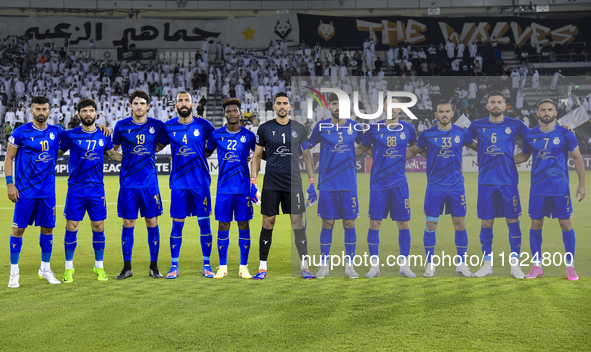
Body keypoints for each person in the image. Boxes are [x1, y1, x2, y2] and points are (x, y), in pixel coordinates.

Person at [514, 99, 586, 281]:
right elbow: (523, 156)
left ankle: (570, 267)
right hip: (538, 189)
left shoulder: (565, 133)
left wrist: (582, 184)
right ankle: (537, 266)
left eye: (550, 110)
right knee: (536, 225)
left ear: (556, 113)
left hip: (560, 189)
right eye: (543, 110)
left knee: (565, 225)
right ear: (537, 113)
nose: (546, 112)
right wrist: (502, 158)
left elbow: (577, 158)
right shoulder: (530, 136)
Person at [250, 91, 317, 280]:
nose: (281, 106)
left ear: (289, 106)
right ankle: (262, 267)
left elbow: (306, 155)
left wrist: (312, 182)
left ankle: (304, 266)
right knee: (267, 222)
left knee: (297, 224)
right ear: (274, 107)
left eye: (285, 103)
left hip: (294, 184)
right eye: (278, 103)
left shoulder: (299, 128)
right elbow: (256, 156)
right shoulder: (264, 129)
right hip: (271, 183)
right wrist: (253, 182)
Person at [407, 100, 478, 277]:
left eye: (447, 111)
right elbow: (412, 152)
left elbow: (479, 147)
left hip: (456, 186)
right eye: (441, 112)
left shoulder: (461, 133)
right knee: (431, 224)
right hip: (435, 186)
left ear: (452, 113)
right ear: (436, 114)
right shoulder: (427, 134)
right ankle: (430, 265)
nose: (444, 114)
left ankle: (462, 264)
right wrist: (388, 155)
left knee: (460, 223)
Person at [57, 99, 122, 283]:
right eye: (84, 111)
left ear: (96, 114)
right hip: (76, 189)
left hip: (96, 189)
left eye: (91, 111)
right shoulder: (70, 135)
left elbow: (112, 155)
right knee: (72, 227)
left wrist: (133, 159)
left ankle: (99, 267)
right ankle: (69, 268)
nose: (88, 114)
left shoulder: (104, 135)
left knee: (98, 226)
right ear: (78, 115)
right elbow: (57, 154)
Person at [355, 96, 418, 279]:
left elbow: (417, 148)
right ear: (382, 107)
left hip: (400, 183)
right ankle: (374, 267)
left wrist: (401, 157)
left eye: (396, 105)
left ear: (400, 108)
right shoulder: (373, 129)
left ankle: (404, 266)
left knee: (403, 223)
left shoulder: (408, 129)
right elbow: (362, 148)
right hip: (379, 184)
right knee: (375, 223)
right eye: (389, 105)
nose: (392, 108)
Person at [5, 96, 64, 288]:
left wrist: (101, 128)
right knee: (18, 229)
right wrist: (9, 184)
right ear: (31, 111)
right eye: (37, 109)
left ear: (49, 111)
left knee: (48, 229)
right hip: (25, 192)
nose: (41, 112)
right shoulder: (20, 132)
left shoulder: (57, 131)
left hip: (47, 192)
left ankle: (45, 269)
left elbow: (80, 133)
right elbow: (8, 158)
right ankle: (14, 273)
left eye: (44, 109)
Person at [468, 91, 527, 278]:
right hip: (486, 181)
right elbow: (461, 138)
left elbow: (535, 138)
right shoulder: (477, 125)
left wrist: (518, 157)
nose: (495, 105)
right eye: (492, 102)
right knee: (486, 222)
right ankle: (487, 265)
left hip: (508, 182)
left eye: (499, 102)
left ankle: (515, 265)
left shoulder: (515, 124)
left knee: (513, 221)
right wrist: (482, 150)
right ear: (486, 105)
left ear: (505, 105)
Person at [159, 91, 216, 279]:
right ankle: (174, 266)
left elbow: (215, 145)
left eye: (187, 100)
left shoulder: (204, 124)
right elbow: (155, 145)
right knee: (177, 225)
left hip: (200, 183)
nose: (183, 103)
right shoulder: (167, 127)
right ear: (175, 105)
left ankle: (207, 264)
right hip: (178, 183)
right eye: (180, 101)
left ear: (192, 104)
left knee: (204, 224)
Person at [309, 93, 366, 279]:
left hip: (349, 184)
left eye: (341, 104)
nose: (337, 107)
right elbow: (306, 147)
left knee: (349, 223)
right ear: (329, 107)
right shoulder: (321, 127)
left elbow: (365, 146)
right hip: (327, 184)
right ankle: (324, 265)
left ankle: (350, 266)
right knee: (328, 223)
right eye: (334, 103)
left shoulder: (354, 127)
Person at [112, 90, 167, 280]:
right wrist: (127, 159)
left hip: (149, 183)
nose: (139, 106)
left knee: (152, 221)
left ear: (148, 106)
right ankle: (127, 267)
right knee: (128, 222)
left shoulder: (157, 126)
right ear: (130, 106)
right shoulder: (121, 126)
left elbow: (162, 144)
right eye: (135, 103)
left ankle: (154, 267)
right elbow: (112, 152)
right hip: (128, 183)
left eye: (142, 103)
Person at [209, 98, 257, 279]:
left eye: (234, 110)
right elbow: (204, 151)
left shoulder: (249, 136)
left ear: (239, 112)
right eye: (228, 111)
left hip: (243, 188)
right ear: (224, 114)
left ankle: (243, 267)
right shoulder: (216, 135)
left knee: (243, 224)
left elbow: (259, 155)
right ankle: (223, 267)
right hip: (224, 188)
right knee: (223, 224)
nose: (231, 114)